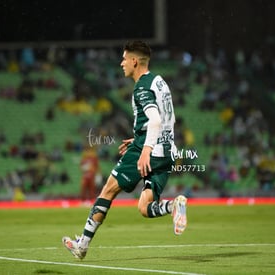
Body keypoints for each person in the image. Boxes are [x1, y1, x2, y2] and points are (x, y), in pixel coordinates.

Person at [62, 41, 187, 260]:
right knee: (144, 207)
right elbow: (168, 119)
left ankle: (82, 245)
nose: (121, 63)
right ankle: (173, 206)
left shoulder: (141, 87)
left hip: (149, 149)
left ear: (134, 61)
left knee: (107, 191)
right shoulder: (160, 82)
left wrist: (145, 147)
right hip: (168, 150)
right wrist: (140, 136)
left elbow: (155, 120)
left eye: (124, 58)